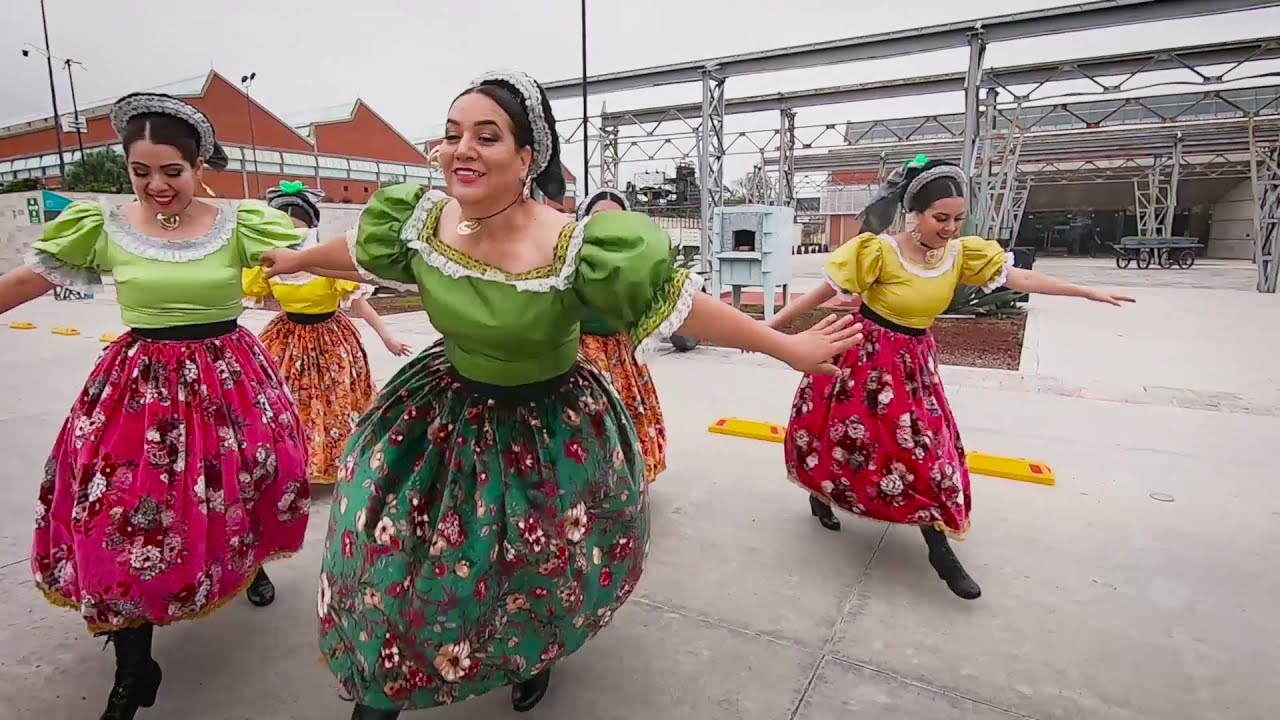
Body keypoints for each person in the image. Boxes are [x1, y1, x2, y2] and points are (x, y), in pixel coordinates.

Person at [258, 70, 862, 719]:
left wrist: (783, 346)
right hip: (442, 413)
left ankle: (530, 655)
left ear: (527, 157)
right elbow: (360, 250)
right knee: (399, 557)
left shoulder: (577, 247)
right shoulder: (423, 220)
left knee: (537, 565)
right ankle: (382, 692)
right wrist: (296, 260)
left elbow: (679, 305)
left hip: (546, 427)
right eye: (453, 134)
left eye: (487, 136)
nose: (462, 150)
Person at [0, 93, 311, 719]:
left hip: (227, 379)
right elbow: (27, 282)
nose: (156, 185)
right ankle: (135, 667)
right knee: (119, 518)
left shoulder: (240, 224)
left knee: (244, 487)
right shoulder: (103, 226)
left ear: (198, 167)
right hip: (139, 387)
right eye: (141, 172)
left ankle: (247, 566)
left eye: (172, 170)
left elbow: (325, 261)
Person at [770, 156, 1134, 600]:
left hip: (913, 363)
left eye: (958, 218)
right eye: (940, 218)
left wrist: (1085, 291)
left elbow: (1018, 277)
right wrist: (769, 330)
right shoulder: (878, 252)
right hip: (863, 355)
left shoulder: (961, 255)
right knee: (841, 436)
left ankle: (939, 549)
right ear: (915, 214)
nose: (950, 228)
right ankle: (821, 493)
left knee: (924, 450)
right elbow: (822, 294)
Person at [243, 181, 411, 487]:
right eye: (281, 226)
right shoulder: (268, 264)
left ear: (309, 227)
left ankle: (331, 462)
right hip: (287, 339)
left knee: (331, 403)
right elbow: (238, 300)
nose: (288, 234)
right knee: (285, 401)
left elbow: (360, 305)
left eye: (295, 226)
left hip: (329, 341)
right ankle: (291, 461)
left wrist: (387, 337)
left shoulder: (323, 261)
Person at [575, 187, 667, 483]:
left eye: (617, 219)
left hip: (620, 354)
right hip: (576, 355)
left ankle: (627, 480)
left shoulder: (634, 264)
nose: (607, 225)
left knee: (625, 416)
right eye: (599, 217)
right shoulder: (566, 257)